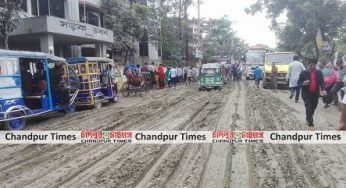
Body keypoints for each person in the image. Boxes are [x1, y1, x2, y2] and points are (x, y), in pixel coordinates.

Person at [298, 58, 326, 130]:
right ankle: (311, 123)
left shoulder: (319, 72)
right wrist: (303, 83)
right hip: (306, 94)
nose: (312, 66)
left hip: (315, 94)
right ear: (308, 65)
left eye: (314, 65)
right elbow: (298, 82)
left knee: (313, 107)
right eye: (311, 65)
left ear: (316, 65)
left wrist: (323, 90)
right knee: (308, 107)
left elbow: (322, 82)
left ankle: (308, 117)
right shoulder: (304, 73)